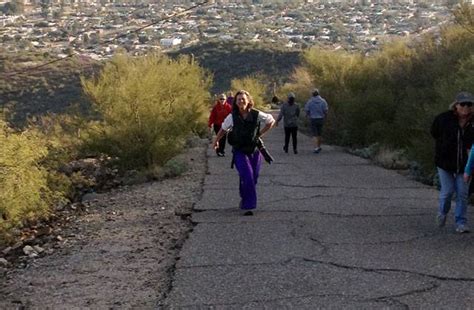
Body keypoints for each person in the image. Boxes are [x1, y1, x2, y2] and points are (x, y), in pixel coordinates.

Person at [213, 90, 275, 216]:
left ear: (248, 101)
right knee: (247, 176)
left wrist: (259, 134)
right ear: (235, 102)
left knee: (253, 178)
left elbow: (270, 121)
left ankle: (244, 195)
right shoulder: (232, 116)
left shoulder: (256, 114)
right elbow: (223, 129)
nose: (241, 101)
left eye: (243, 99)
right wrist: (216, 141)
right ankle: (248, 206)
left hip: (255, 151)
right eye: (238, 99)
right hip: (239, 151)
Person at [431, 91, 474, 233]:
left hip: (465, 165)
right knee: (447, 191)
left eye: (469, 104)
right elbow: (434, 133)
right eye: (463, 104)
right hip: (445, 162)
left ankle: (461, 222)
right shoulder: (444, 119)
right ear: (456, 105)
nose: (466, 107)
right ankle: (442, 213)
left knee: (463, 193)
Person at [304, 88, 328, 153]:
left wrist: (306, 117)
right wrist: (326, 117)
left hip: (313, 119)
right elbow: (325, 110)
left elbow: (307, 110)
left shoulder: (310, 102)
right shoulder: (323, 101)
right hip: (321, 119)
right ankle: (319, 146)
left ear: (312, 94)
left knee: (314, 134)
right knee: (319, 133)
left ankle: (316, 148)